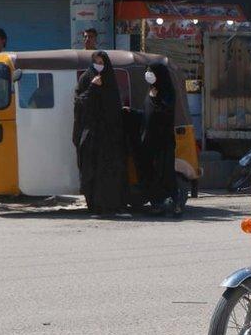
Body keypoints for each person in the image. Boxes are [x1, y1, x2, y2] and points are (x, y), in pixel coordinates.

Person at [73, 51, 130, 217]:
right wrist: (92, 86)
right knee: (93, 171)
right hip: (92, 134)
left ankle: (114, 206)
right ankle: (96, 207)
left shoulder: (110, 79)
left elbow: (114, 105)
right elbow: (80, 102)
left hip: (110, 135)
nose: (99, 64)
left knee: (112, 170)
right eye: (96, 61)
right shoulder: (86, 78)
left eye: (102, 61)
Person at [138, 64, 180, 216]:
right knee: (152, 173)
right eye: (147, 71)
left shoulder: (167, 92)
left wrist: (155, 99)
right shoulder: (151, 91)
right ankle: (157, 204)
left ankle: (175, 204)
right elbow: (147, 114)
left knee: (165, 173)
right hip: (149, 141)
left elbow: (164, 113)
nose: (148, 74)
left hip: (163, 142)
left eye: (151, 71)